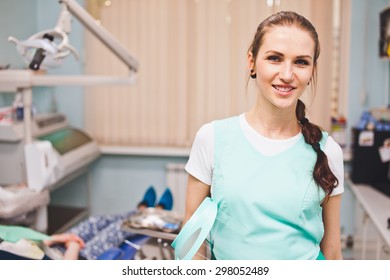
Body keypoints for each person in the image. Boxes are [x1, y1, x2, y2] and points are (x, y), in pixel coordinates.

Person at [184, 11, 344, 260]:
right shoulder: (212, 138)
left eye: (301, 62)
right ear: (252, 61)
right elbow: (192, 240)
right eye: (275, 58)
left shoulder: (327, 150)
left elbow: (332, 250)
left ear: (312, 69)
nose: (288, 74)